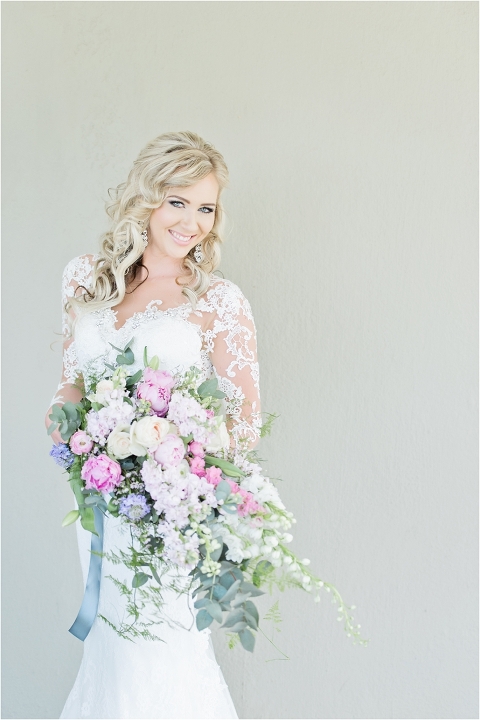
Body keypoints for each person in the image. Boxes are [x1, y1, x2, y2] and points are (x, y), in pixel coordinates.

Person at [45, 131, 262, 719]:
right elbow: (71, 382)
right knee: (112, 655)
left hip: (171, 513)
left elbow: (245, 423)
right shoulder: (85, 279)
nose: (192, 222)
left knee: (166, 656)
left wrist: (175, 456)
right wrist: (64, 422)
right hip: (100, 505)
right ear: (145, 198)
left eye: (206, 208)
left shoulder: (218, 301)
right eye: (178, 202)